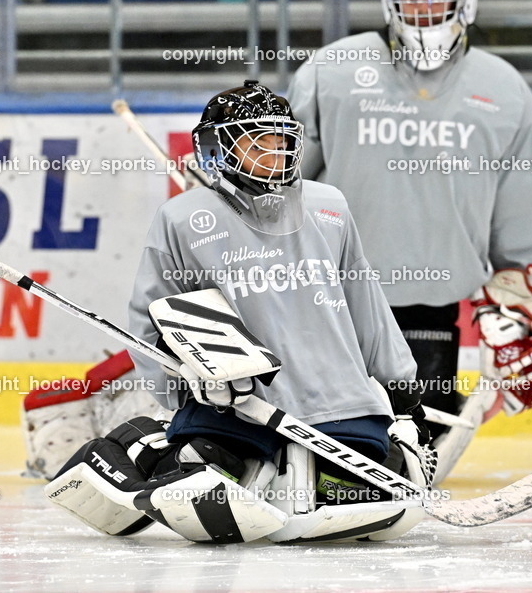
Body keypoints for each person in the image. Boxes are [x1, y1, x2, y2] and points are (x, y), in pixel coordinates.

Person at [43, 80, 434, 544]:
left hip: (337, 398)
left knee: (361, 481)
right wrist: (180, 385)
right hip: (235, 404)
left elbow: (365, 302)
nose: (276, 151)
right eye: (259, 140)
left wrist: (402, 390)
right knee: (208, 464)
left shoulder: (329, 206)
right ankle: (146, 447)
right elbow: (150, 319)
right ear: (218, 148)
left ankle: (284, 473)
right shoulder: (182, 218)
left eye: (282, 139)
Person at [287, 0, 532, 482]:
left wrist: (519, 295)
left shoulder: (504, 89)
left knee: (415, 441)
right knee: (331, 434)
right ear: (391, 2)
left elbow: (520, 205)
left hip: (431, 306)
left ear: (465, 2)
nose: (426, 9)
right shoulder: (333, 70)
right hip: (334, 293)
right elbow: (286, 176)